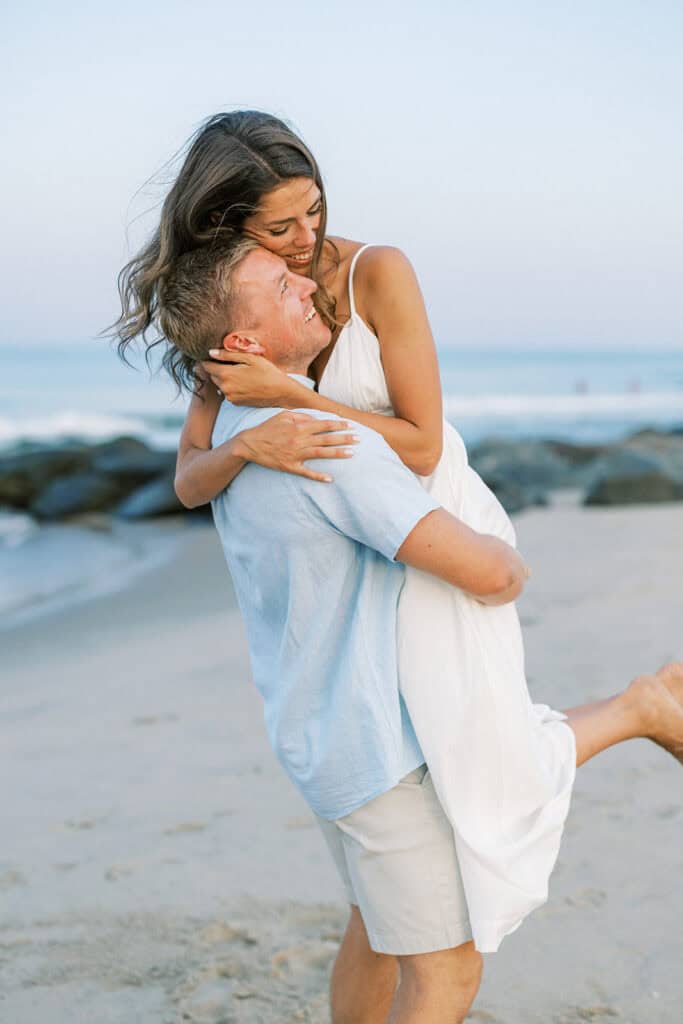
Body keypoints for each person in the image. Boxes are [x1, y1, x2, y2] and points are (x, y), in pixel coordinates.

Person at [152, 236, 683, 1024]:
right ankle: (640, 709)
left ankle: (640, 709)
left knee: (376, 927)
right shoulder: (329, 444)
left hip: (315, 730)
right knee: (444, 978)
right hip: (381, 753)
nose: (307, 282)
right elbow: (496, 577)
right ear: (243, 344)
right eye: (279, 281)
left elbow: (193, 479)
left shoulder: (233, 430)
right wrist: (494, 537)